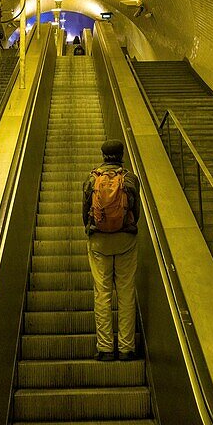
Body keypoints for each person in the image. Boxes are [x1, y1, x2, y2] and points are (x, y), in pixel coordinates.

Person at [82, 139, 140, 361]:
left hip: (99, 242)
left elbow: (84, 210)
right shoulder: (130, 179)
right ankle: (126, 348)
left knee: (102, 293)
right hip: (125, 240)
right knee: (125, 293)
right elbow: (137, 212)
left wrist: (92, 228)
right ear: (122, 154)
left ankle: (105, 348)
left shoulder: (91, 179)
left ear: (103, 155)